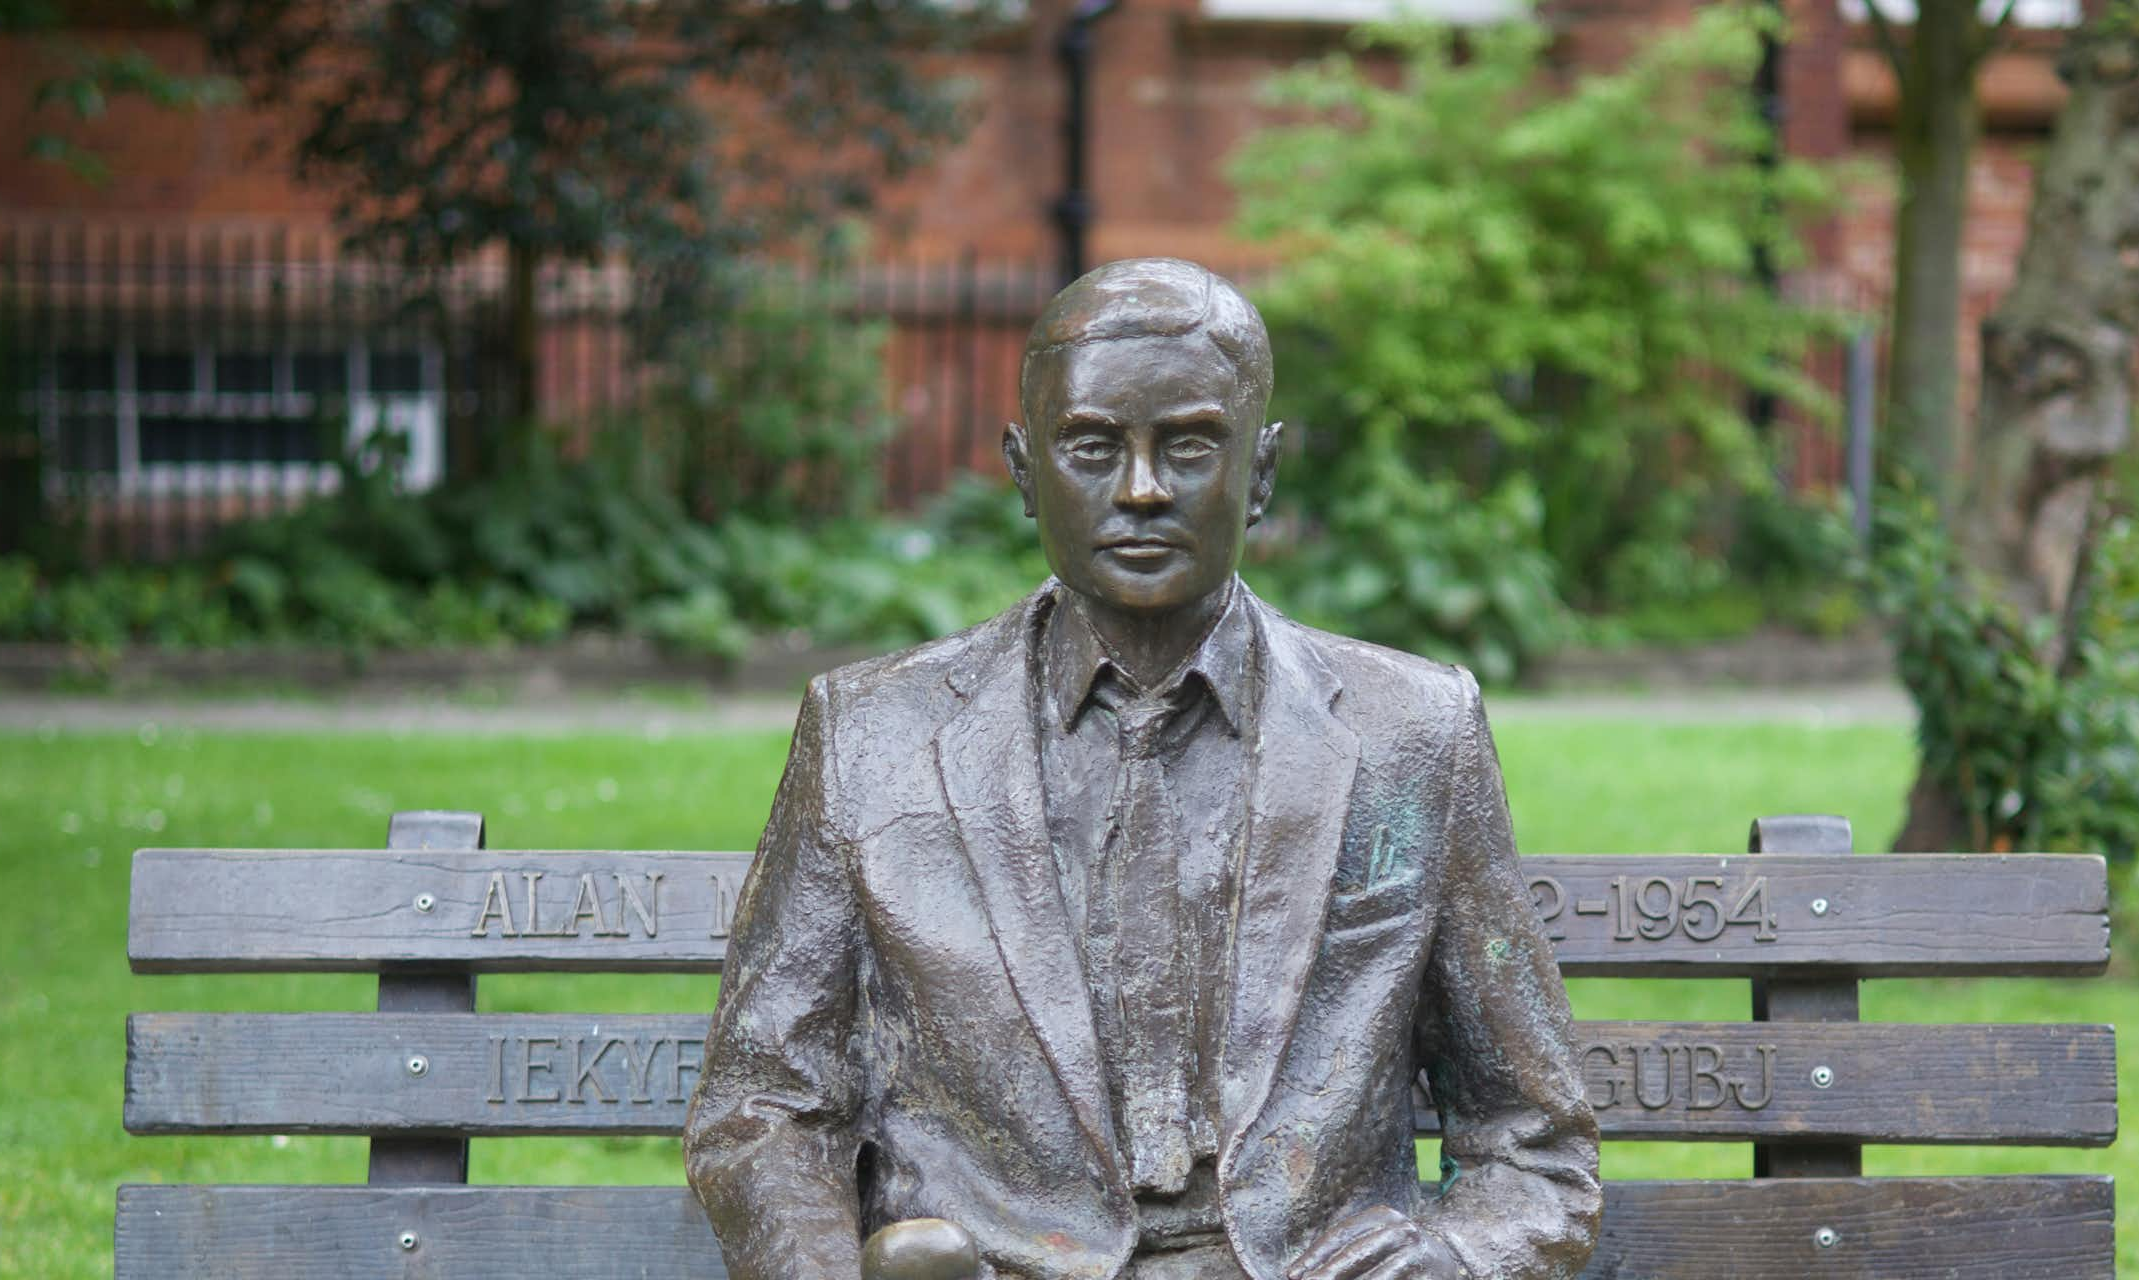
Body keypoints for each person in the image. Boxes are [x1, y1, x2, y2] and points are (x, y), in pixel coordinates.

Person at [685, 258, 1599, 1280]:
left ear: (1261, 472)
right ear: (1025, 471)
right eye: (1091, 445)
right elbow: (763, 1107)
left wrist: (1458, 1259)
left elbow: (1533, 1140)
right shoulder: (869, 735)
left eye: (1191, 444)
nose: (1142, 488)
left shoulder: (1412, 733)